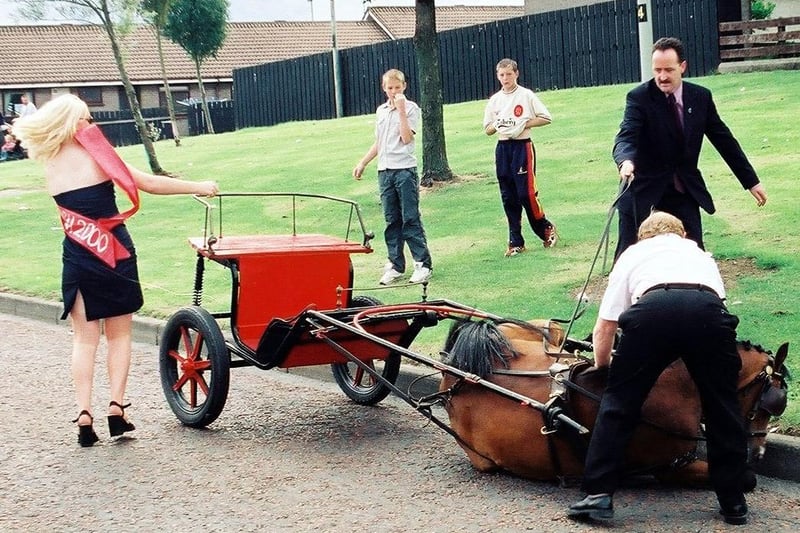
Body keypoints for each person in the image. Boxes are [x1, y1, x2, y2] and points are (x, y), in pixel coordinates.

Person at [13, 94, 218, 447]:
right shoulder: (95, 150)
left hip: (77, 256)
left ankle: (83, 413)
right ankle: (116, 407)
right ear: (73, 123)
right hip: (114, 252)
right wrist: (199, 186)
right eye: (86, 119)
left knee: (84, 340)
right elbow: (148, 184)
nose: (92, 125)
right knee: (119, 336)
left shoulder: (49, 161)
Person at [568, 211, 749, 526]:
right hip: (707, 311)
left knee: (620, 405)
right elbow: (716, 303)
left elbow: (605, 325)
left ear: (644, 236)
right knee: (722, 406)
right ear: (680, 234)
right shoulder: (700, 254)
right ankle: (733, 500)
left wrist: (603, 368)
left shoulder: (633, 254)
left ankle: (598, 496)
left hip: (653, 310)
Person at [613, 37, 767, 259]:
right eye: (657, 70)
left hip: (682, 188)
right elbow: (626, 136)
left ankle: (700, 292)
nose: (662, 76)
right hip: (642, 187)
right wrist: (625, 161)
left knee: (694, 253)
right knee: (629, 256)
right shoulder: (639, 98)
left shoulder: (700, 97)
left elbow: (723, 139)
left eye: (668, 69)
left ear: (682, 67)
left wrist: (751, 181)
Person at [353, 68, 433, 285]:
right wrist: (363, 162)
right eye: (390, 88)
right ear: (384, 88)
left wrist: (401, 111)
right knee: (391, 220)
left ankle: (422, 264)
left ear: (404, 86)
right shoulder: (380, 111)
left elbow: (407, 138)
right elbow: (380, 142)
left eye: (397, 87)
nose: (393, 91)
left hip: (404, 170)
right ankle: (395, 264)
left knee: (410, 218)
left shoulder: (411, 109)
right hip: (385, 171)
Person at [483, 58, 557, 257]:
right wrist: (499, 124)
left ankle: (545, 229)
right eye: (501, 75)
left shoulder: (526, 95)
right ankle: (515, 241)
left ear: (516, 73)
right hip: (503, 148)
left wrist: (522, 124)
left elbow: (546, 118)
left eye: (509, 74)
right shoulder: (495, 100)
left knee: (526, 193)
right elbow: (488, 129)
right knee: (508, 196)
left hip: (522, 146)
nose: (505, 78)